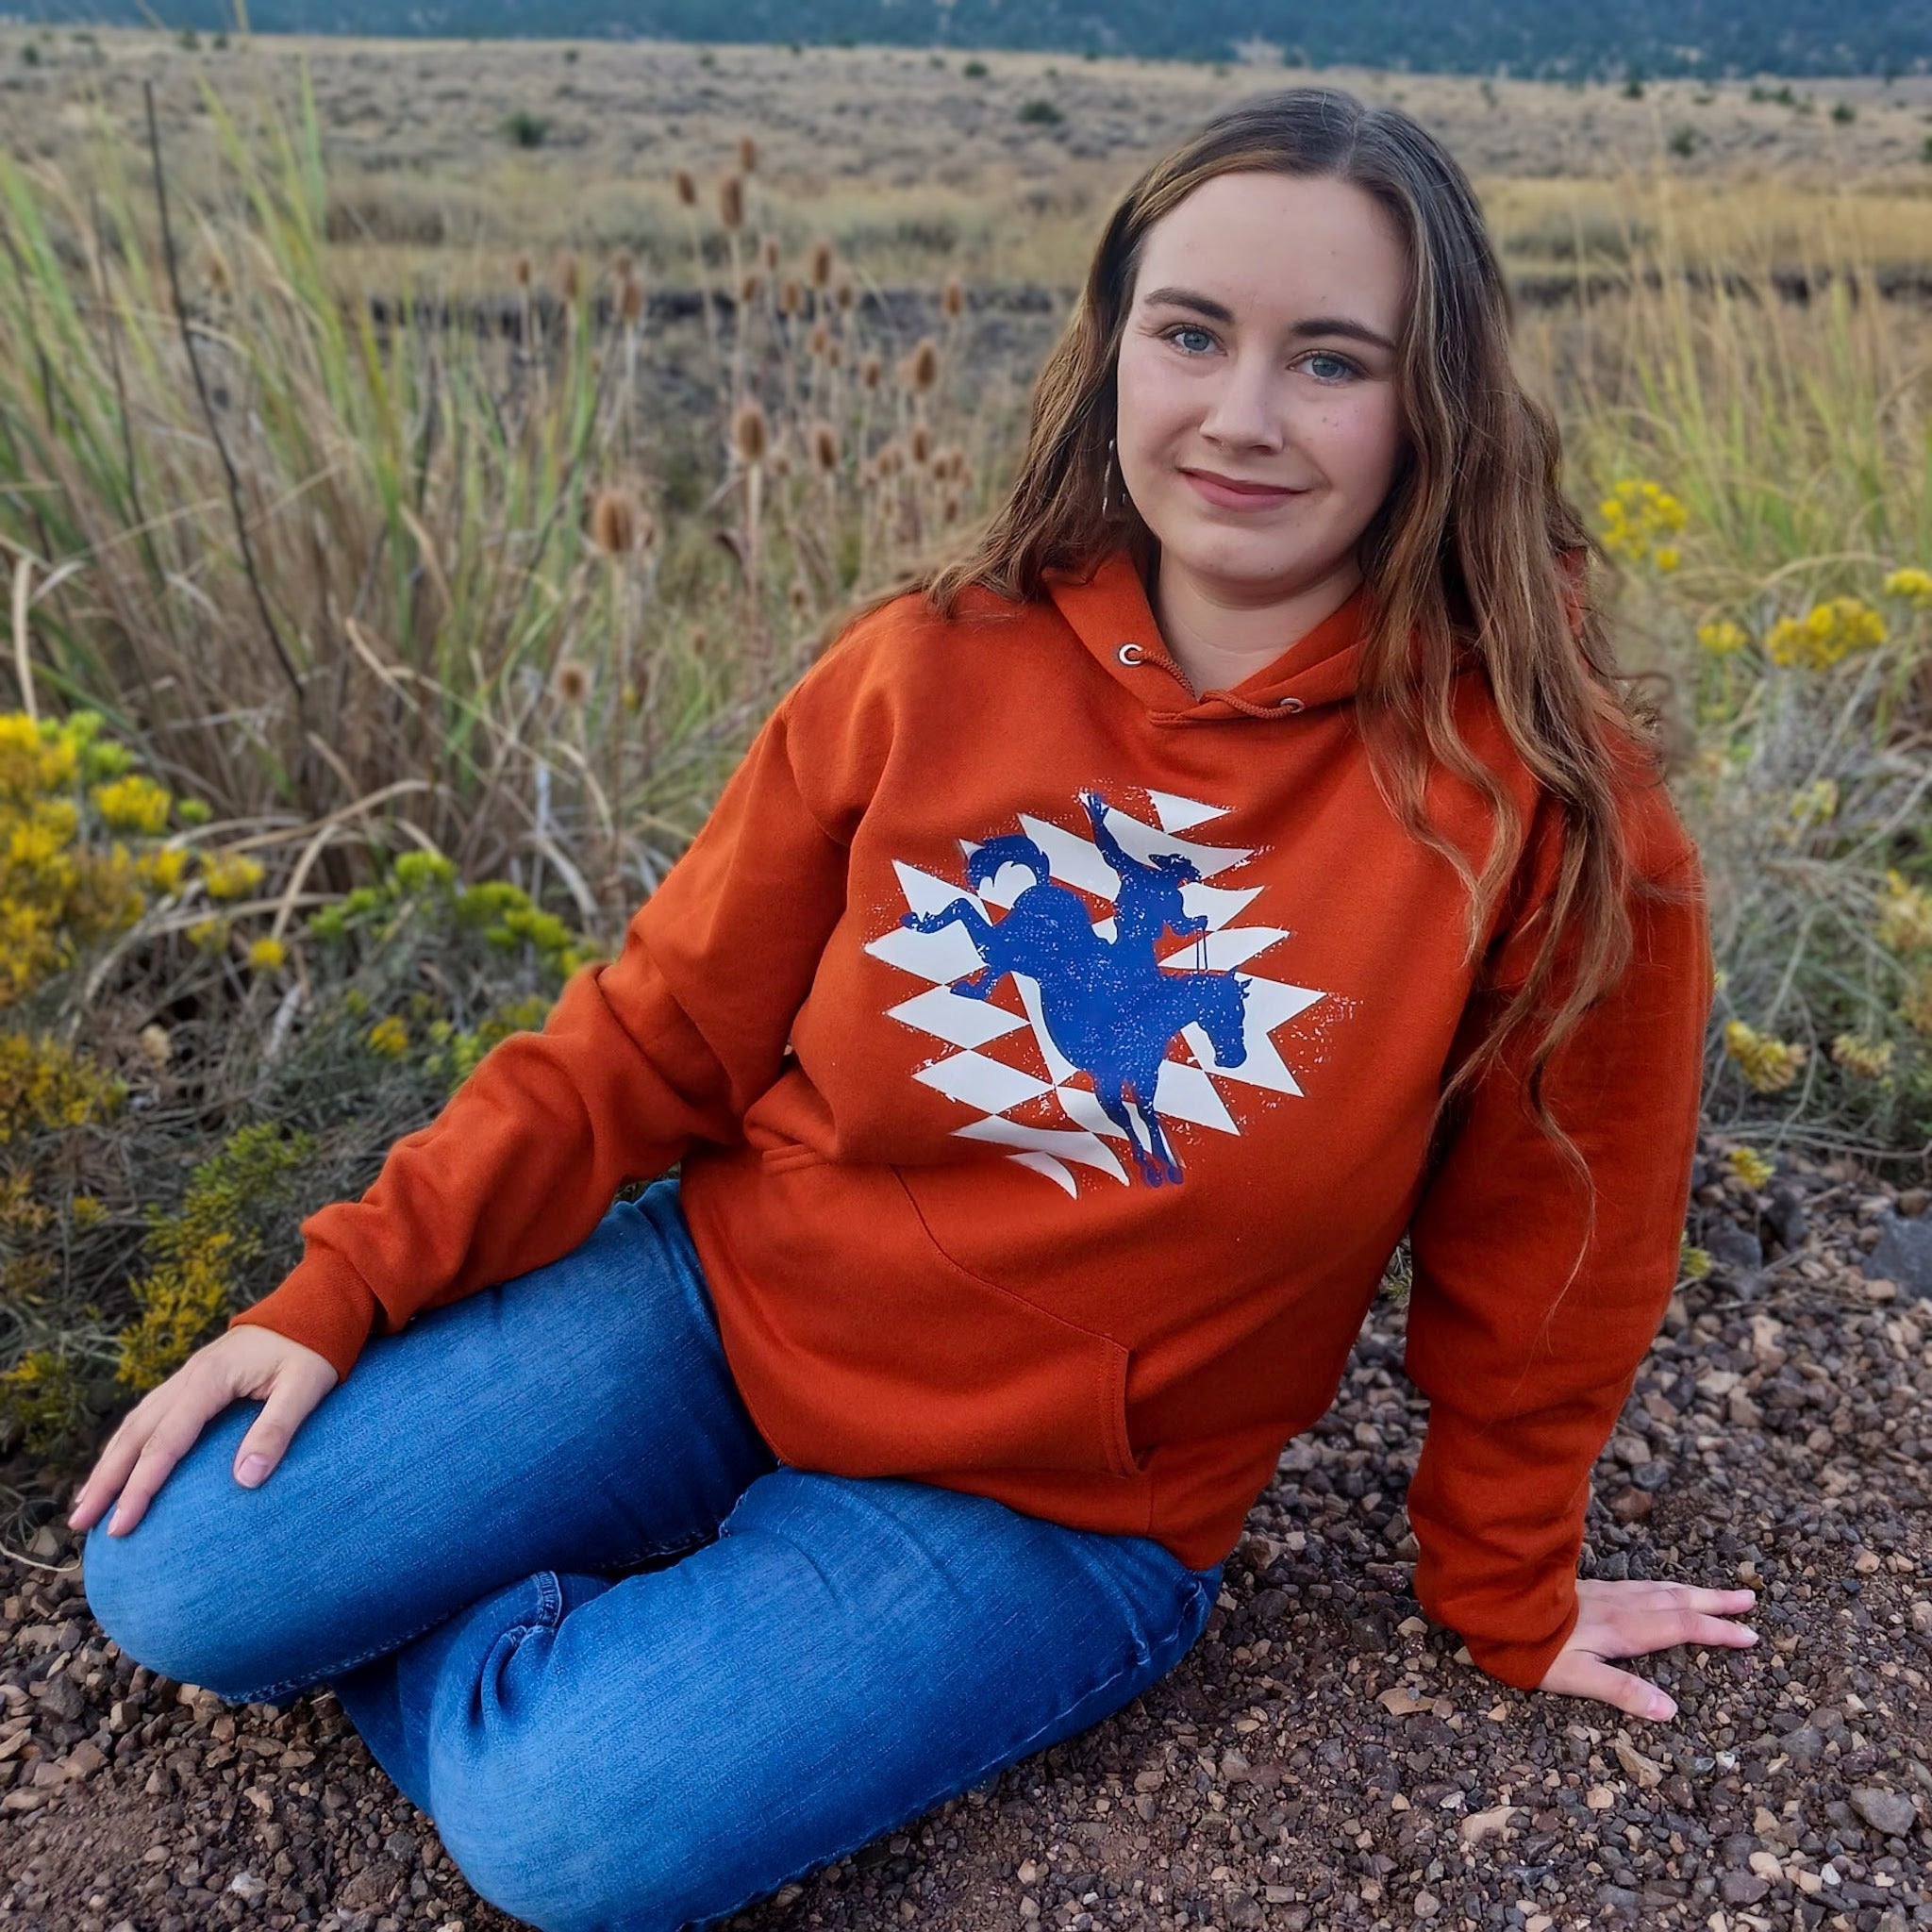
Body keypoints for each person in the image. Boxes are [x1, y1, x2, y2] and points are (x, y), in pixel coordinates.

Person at [71, 85, 1754, 1932]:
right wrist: (349, 1285)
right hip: (731, 1299)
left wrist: (1504, 1584)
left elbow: (1553, 1251)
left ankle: (663, 1641)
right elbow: (656, 1034)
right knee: (180, 1577)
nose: (1241, 415)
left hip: (1051, 1503)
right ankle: (658, 1601)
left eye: (1329, 360)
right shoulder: (929, 663)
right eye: (1189, 334)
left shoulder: (1548, 808)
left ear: (1436, 404)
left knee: (573, 1834)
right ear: (1113, 346)